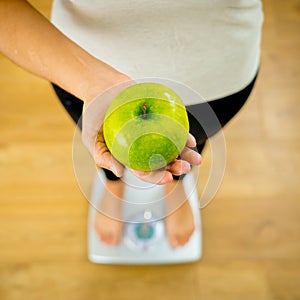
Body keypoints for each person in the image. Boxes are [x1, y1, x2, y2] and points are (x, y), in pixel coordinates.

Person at [0, 0, 263, 248]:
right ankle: (114, 184)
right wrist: (92, 83)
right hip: (78, 67)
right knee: (106, 149)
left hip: (218, 76)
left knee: (190, 145)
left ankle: (177, 185)